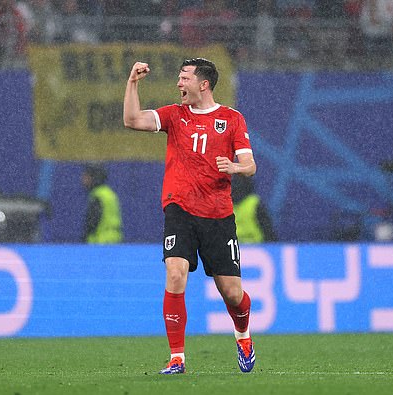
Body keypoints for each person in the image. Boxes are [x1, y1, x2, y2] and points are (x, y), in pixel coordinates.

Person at [123, 58, 257, 374]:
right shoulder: (175, 115)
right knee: (175, 273)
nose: (179, 83)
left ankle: (243, 336)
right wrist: (132, 83)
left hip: (218, 215)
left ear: (203, 84)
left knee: (232, 293)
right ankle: (177, 358)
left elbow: (250, 166)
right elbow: (131, 119)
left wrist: (235, 168)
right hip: (179, 208)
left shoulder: (231, 119)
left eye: (184, 78)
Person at [82, 163, 123, 244]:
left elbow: (92, 221)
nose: (83, 179)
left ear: (94, 178)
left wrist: (84, 238)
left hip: (100, 242)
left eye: (86, 176)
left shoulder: (98, 196)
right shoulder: (110, 193)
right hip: (115, 239)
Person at [232, 174, 277, 243]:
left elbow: (268, 231)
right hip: (236, 248)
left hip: (257, 248)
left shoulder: (255, 204)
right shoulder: (223, 206)